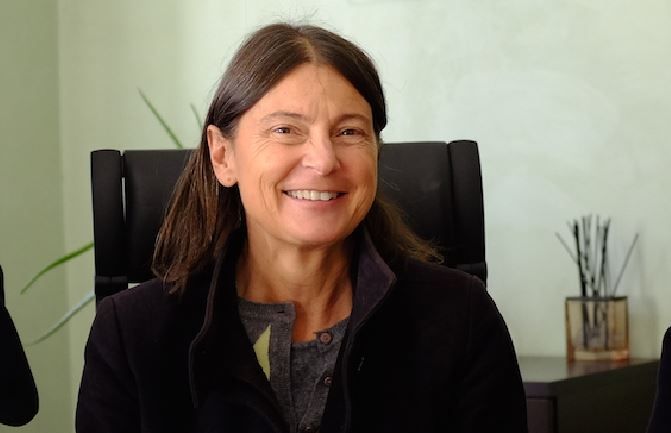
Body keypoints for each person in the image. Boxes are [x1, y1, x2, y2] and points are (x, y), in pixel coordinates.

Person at [76, 23, 527, 433]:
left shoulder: (461, 318)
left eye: (349, 132)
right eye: (285, 130)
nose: (324, 160)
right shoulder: (132, 335)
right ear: (222, 155)